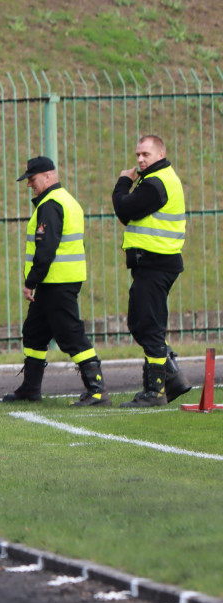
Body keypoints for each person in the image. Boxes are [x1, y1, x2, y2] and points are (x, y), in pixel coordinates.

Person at [3, 157, 109, 406]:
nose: (30, 184)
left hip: (56, 281)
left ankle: (97, 390)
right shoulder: (65, 200)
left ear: (49, 176)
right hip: (57, 280)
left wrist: (31, 281)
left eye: (33, 179)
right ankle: (30, 388)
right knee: (34, 332)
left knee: (70, 334)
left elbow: (46, 248)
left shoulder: (51, 204)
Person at [112, 134, 192, 407]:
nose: (139, 159)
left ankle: (155, 390)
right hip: (152, 263)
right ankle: (171, 376)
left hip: (156, 263)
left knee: (149, 325)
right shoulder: (155, 179)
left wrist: (123, 182)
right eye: (137, 155)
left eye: (145, 154)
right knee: (140, 322)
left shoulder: (156, 182)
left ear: (160, 153)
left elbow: (124, 209)